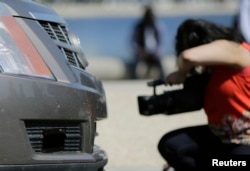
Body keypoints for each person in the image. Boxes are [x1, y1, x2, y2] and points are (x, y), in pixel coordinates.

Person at [158, 19, 250, 171]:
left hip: (245, 141)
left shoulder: (234, 48)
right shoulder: (213, 67)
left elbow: (188, 57)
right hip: (220, 137)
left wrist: (181, 74)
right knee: (171, 146)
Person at [130, 5, 165, 79]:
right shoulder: (138, 26)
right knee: (134, 66)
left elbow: (161, 41)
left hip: (154, 53)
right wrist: (139, 50)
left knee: (161, 67)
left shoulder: (157, 26)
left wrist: (157, 52)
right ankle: (134, 80)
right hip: (141, 52)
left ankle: (162, 80)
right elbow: (133, 41)